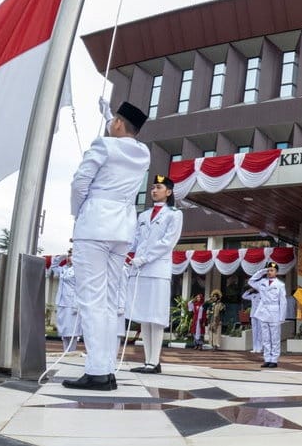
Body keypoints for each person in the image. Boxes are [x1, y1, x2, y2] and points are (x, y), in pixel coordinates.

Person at [62, 100, 150, 392]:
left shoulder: (103, 145)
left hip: (95, 225)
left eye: (114, 120)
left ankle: (98, 371)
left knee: (91, 300)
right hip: (122, 229)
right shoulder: (143, 152)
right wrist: (109, 116)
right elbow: (122, 141)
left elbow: (80, 182)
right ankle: (107, 368)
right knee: (111, 303)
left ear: (118, 124)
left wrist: (79, 212)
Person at [124, 175, 182, 374]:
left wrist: (145, 258)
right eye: (153, 187)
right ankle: (148, 360)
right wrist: (129, 255)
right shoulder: (143, 215)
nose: (154, 191)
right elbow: (136, 239)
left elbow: (167, 243)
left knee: (155, 317)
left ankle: (154, 361)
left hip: (157, 270)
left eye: (158, 187)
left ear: (168, 191)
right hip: (139, 270)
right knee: (143, 316)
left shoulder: (174, 214)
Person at [249, 261, 287, 368]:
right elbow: (251, 281)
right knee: (265, 337)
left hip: (275, 311)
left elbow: (283, 302)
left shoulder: (280, 285)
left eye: (272, 270)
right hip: (263, 311)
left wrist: (282, 317)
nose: (270, 272)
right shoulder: (262, 282)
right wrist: (262, 271)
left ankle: (274, 359)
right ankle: (267, 358)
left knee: (274, 337)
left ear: (277, 272)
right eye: (269, 270)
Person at [47, 248, 81, 352]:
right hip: (62, 301)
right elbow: (53, 267)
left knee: (72, 330)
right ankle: (66, 351)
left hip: (72, 303)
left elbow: (80, 287)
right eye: (69, 254)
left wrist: (77, 304)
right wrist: (61, 257)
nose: (69, 257)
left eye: (72, 255)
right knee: (64, 329)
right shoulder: (64, 268)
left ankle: (71, 351)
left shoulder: (79, 269)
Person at [241, 287, 262, 353]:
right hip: (253, 314)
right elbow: (244, 296)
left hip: (260, 314)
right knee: (254, 331)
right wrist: (250, 290)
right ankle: (254, 347)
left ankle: (260, 347)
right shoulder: (253, 295)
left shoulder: (263, 295)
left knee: (260, 332)